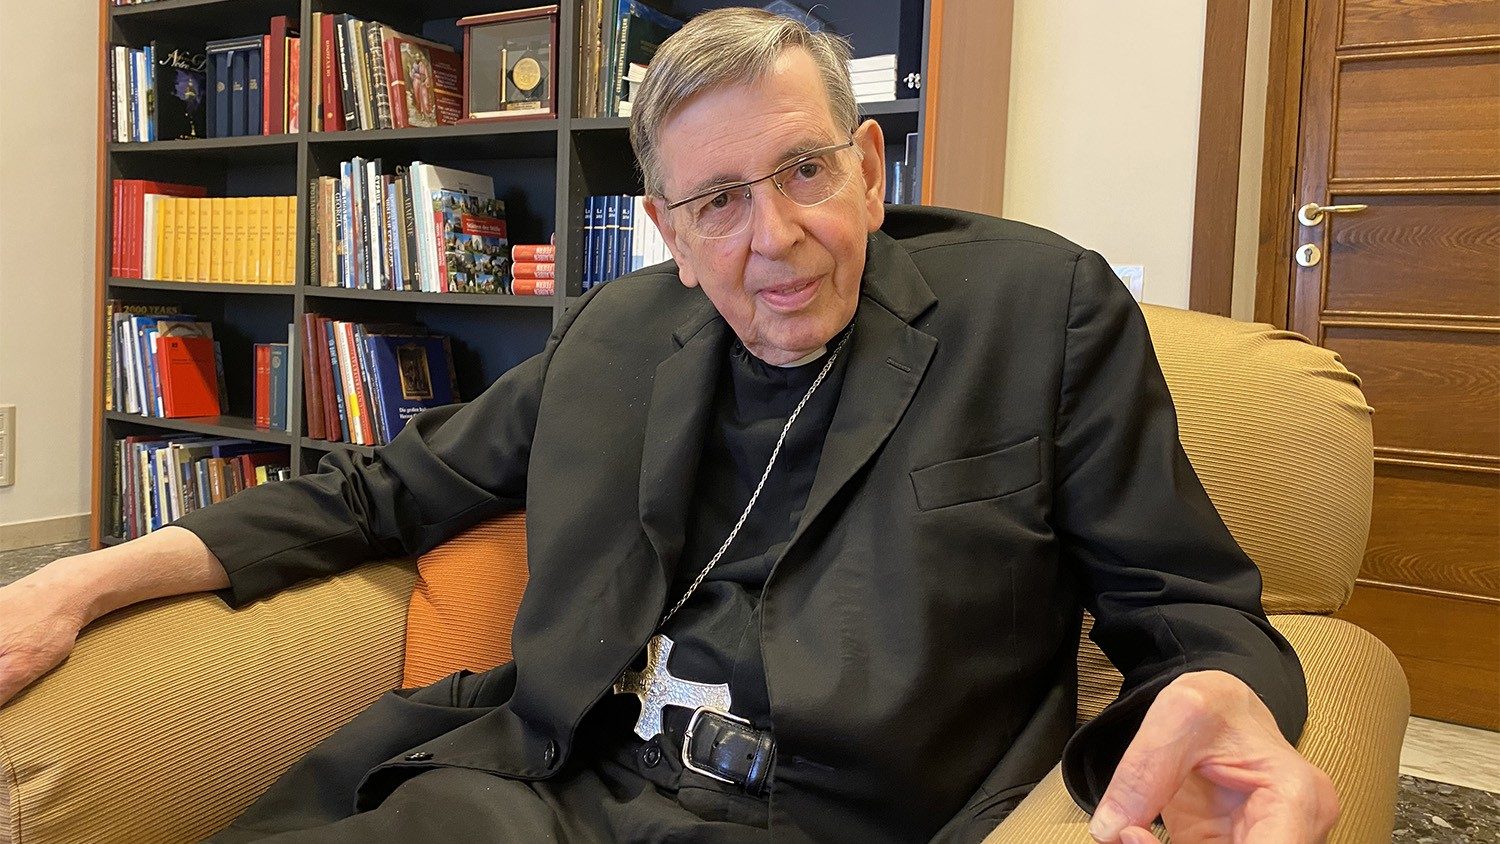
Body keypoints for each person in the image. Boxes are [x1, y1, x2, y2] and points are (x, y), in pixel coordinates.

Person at [0, 9, 1338, 843]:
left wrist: (1232, 702)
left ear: (870, 169)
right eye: (719, 202)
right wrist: (81, 580)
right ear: (669, 232)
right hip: (548, 787)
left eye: (806, 170)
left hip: (836, 821)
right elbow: (382, 494)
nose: (777, 236)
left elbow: (1191, 610)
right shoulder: (616, 334)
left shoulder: (1039, 313)